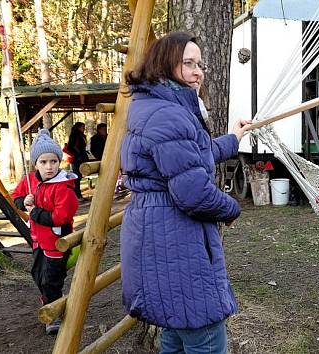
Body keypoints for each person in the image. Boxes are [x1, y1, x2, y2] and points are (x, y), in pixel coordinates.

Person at [119, 31, 251, 354]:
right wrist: (230, 208)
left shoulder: (156, 107)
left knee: (177, 335)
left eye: (200, 64)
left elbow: (194, 154)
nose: (198, 72)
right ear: (164, 66)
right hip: (176, 246)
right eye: (188, 63)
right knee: (205, 337)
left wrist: (233, 138)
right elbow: (193, 192)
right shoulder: (168, 114)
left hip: (162, 244)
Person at [12, 129, 79, 335]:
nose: (49, 167)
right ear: (35, 163)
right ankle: (49, 298)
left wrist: (35, 213)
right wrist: (23, 202)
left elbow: (61, 216)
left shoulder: (64, 186)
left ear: (59, 162)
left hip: (57, 242)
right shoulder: (30, 180)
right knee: (37, 275)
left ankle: (53, 315)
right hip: (38, 241)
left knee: (51, 280)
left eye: (53, 161)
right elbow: (16, 196)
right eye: (43, 162)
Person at [67, 122, 89, 200]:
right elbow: (70, 147)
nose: (84, 129)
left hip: (81, 158)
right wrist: (78, 154)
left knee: (79, 176)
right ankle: (77, 195)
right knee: (77, 177)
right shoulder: (75, 135)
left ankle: (77, 194)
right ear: (79, 127)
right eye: (83, 127)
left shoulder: (80, 135)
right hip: (77, 159)